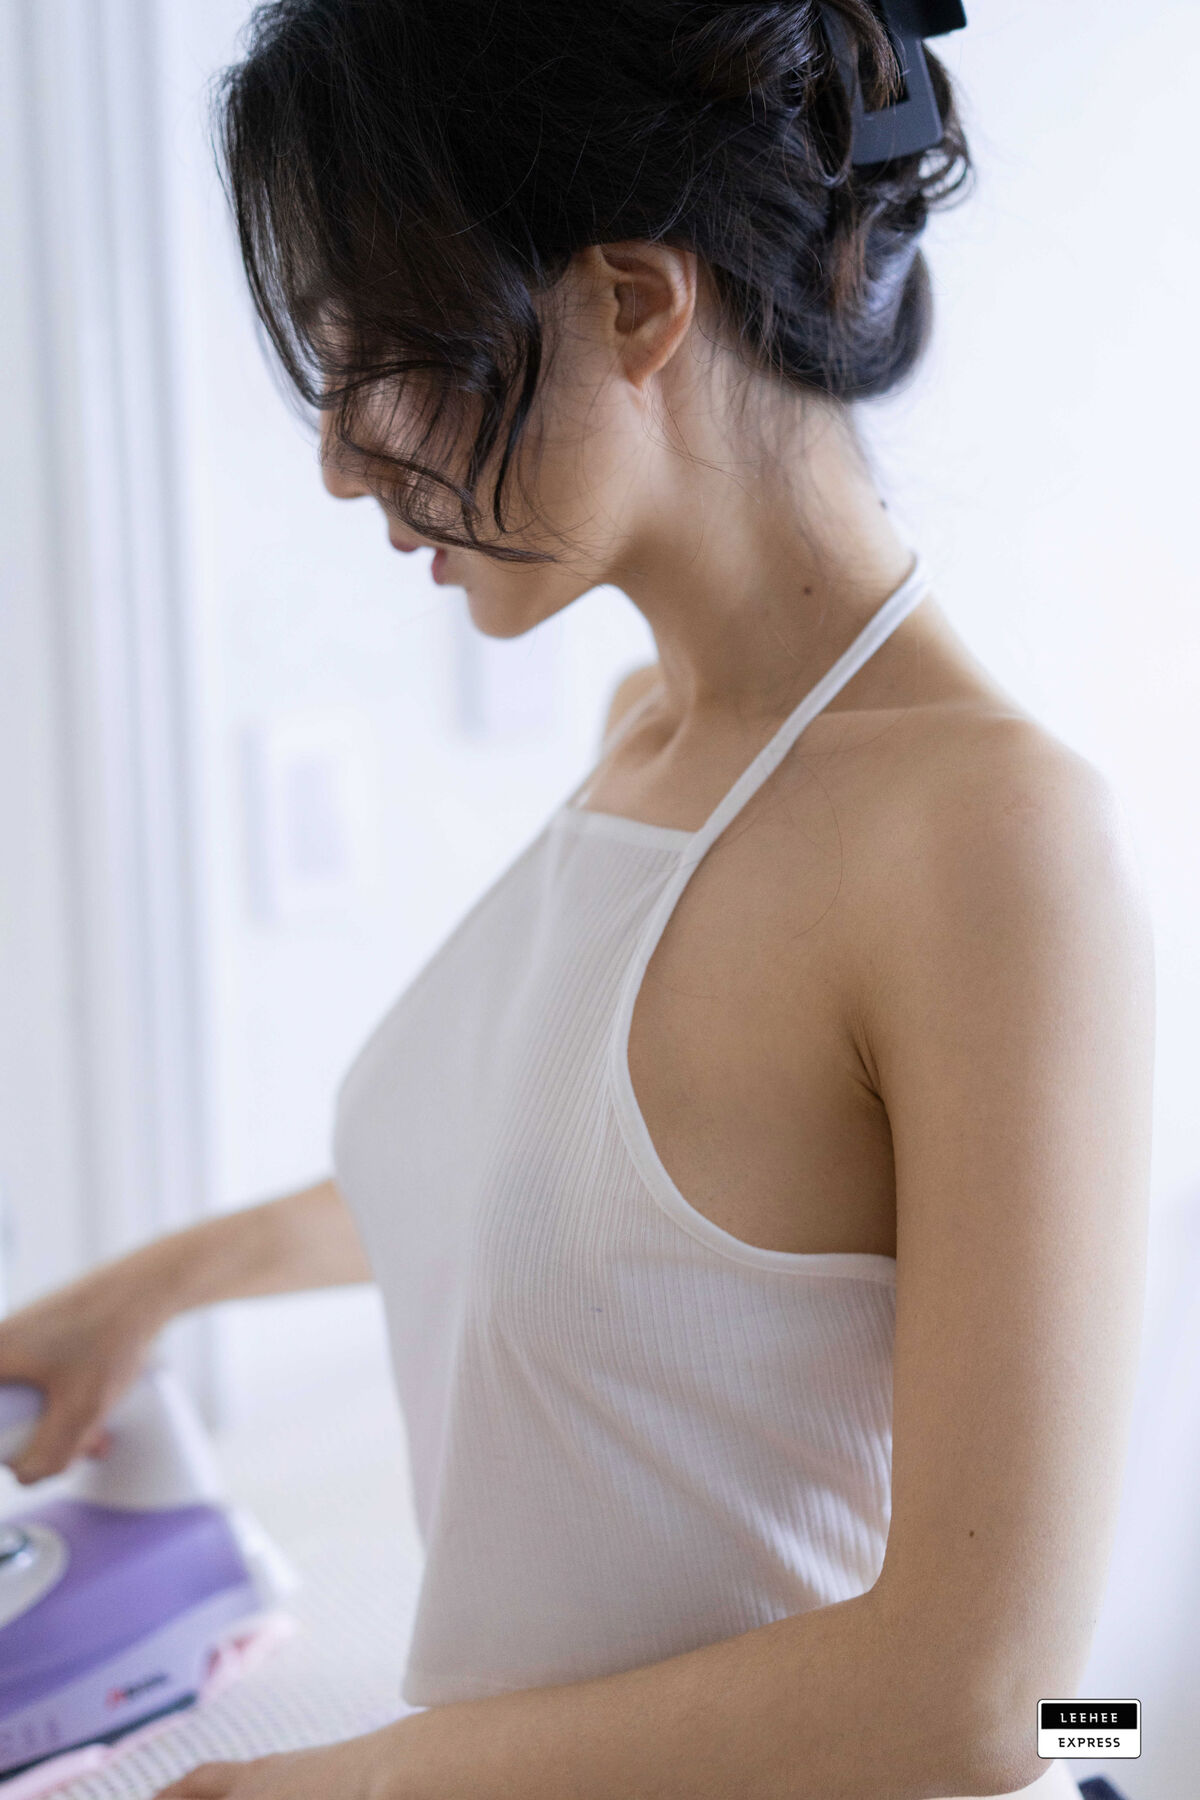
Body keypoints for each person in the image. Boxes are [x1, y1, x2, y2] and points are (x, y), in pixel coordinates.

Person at [0, 3, 1155, 1797]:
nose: (340, 458)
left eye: (380, 352)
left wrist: (356, 1783)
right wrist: (162, 1285)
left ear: (634, 305)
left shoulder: (990, 844)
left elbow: (998, 1696)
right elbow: (594, 1206)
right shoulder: (652, 731)